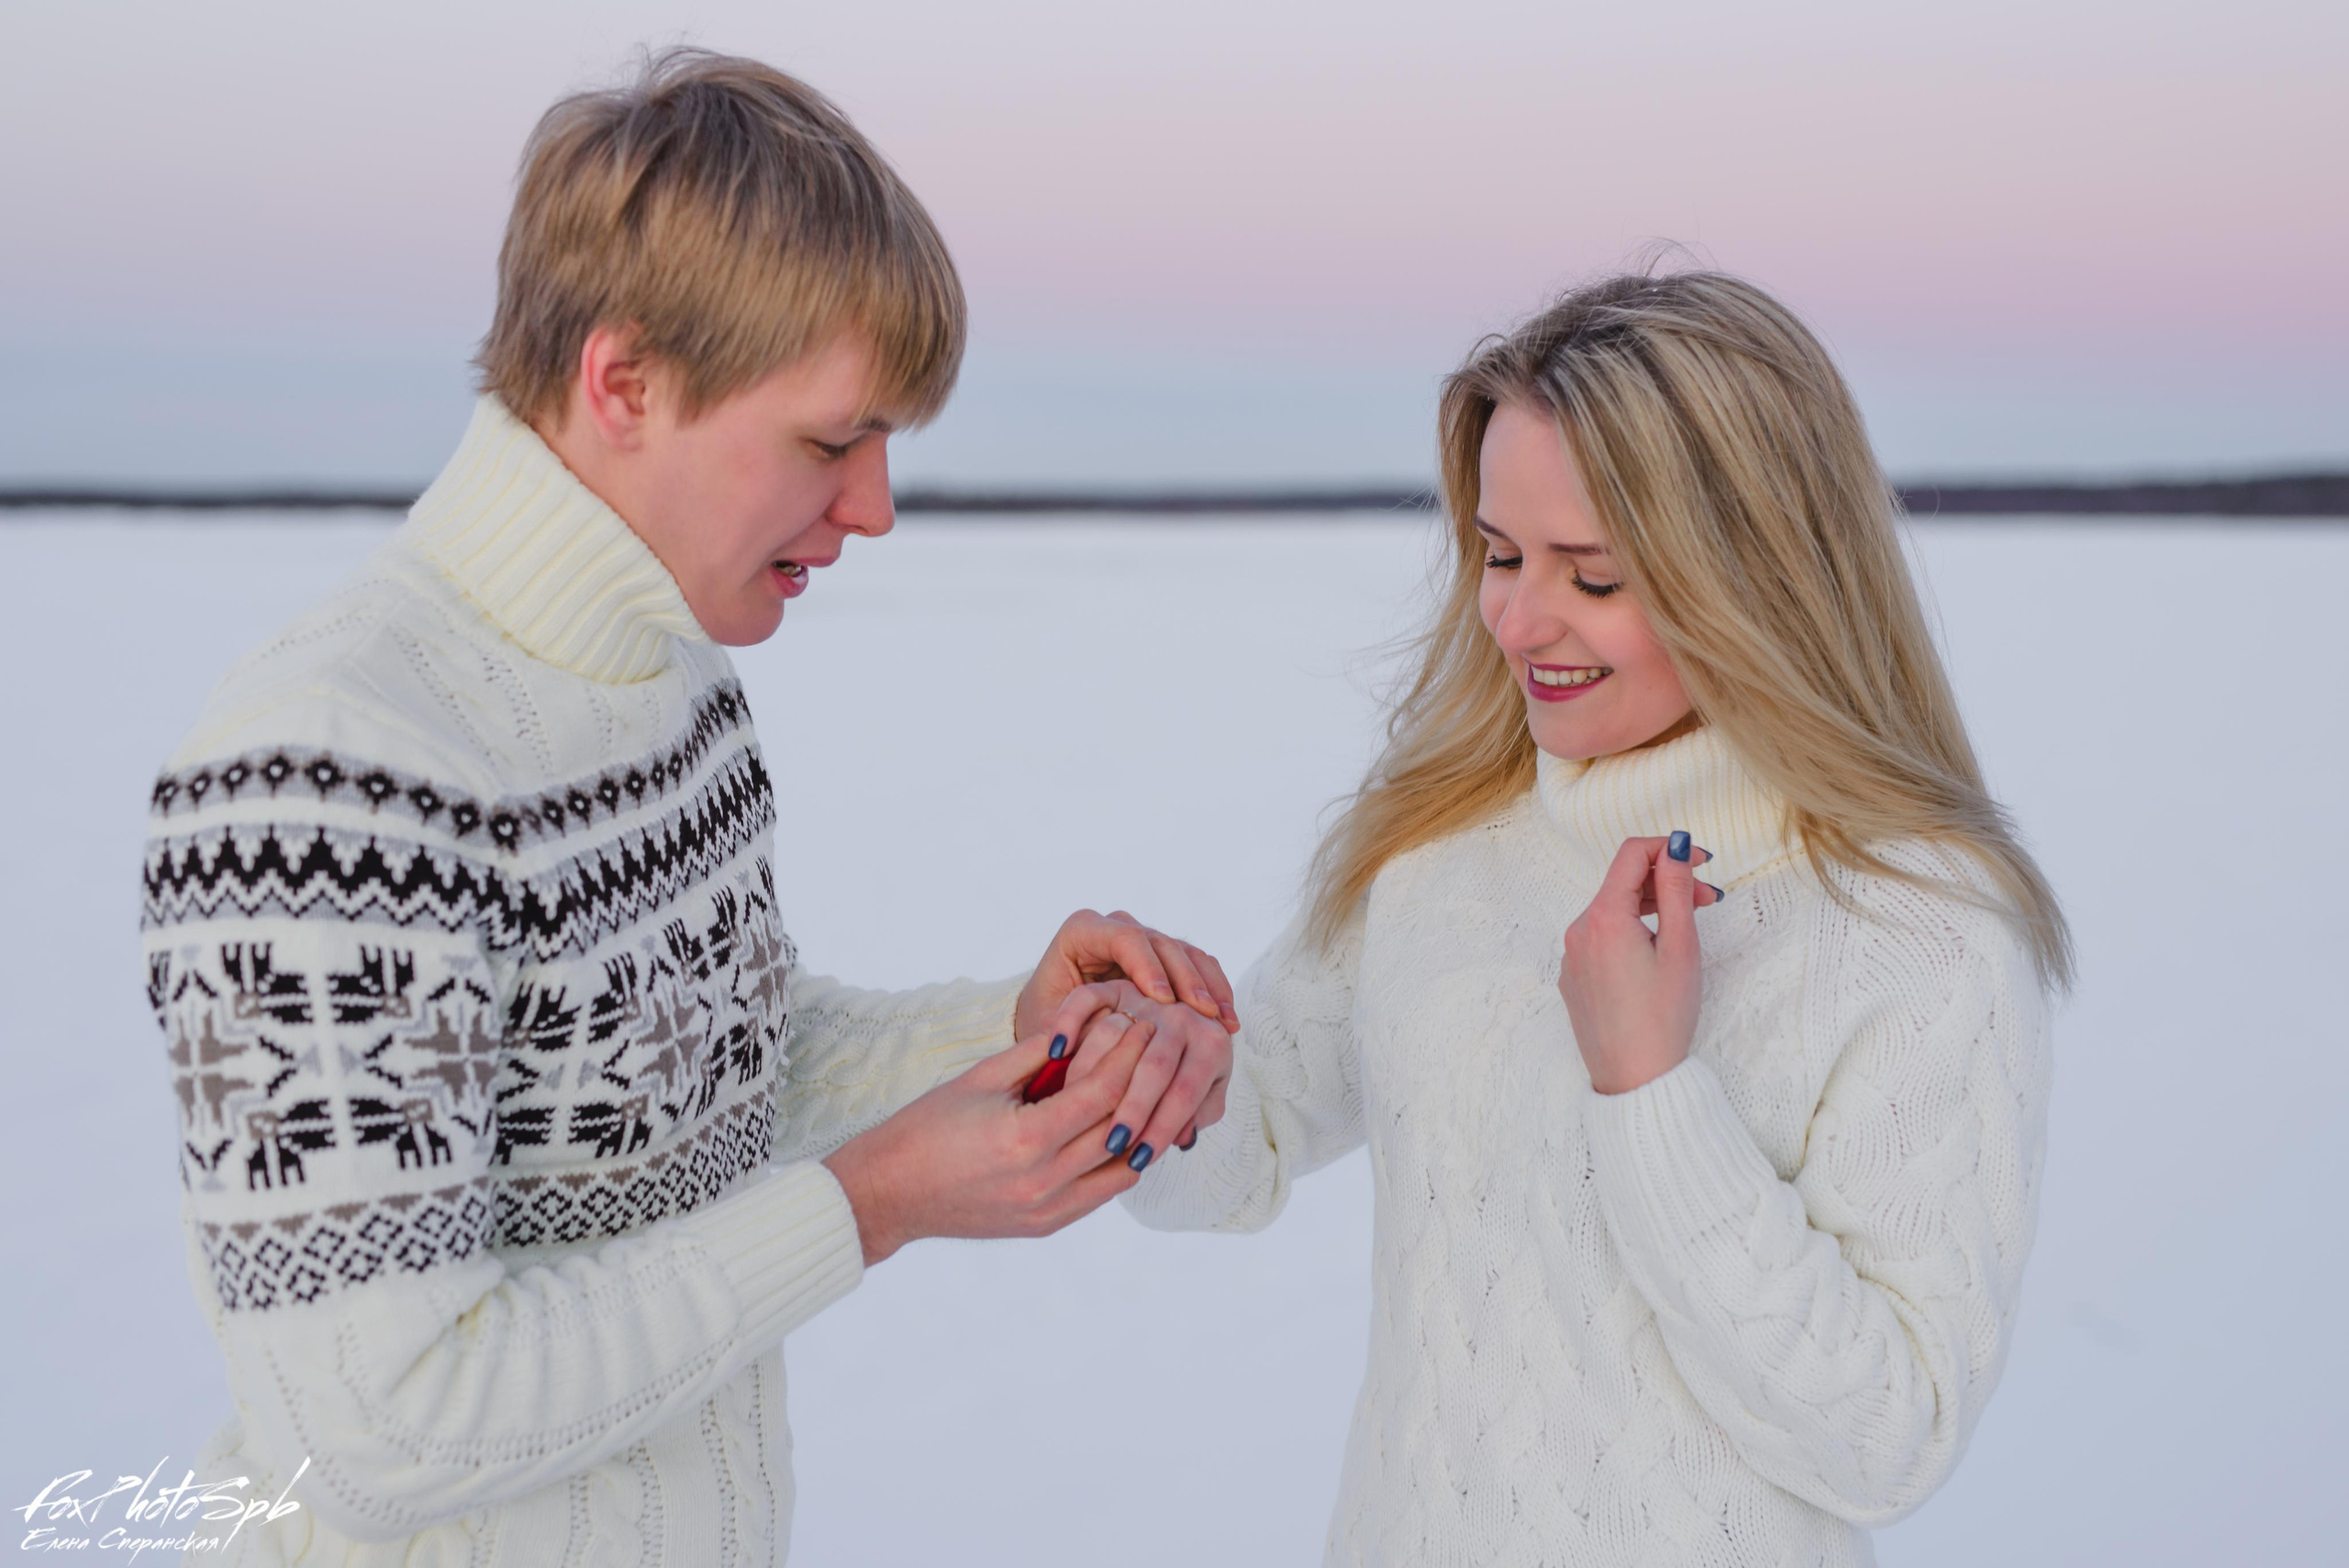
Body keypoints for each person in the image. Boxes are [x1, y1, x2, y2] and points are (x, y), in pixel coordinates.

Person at [139, 49, 1235, 1564]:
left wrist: (1010, 1037)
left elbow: (708, 1085)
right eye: (831, 440)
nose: (876, 507)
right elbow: (376, 1422)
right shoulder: (325, 775)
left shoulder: (670, 681)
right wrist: (867, 1205)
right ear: (624, 381)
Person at [1105, 271, 2068, 1565]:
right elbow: (1248, 1144)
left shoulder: (1922, 929)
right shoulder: (1441, 840)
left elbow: (1887, 1439)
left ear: (1757, 579)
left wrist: (1651, 1091)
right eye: (1500, 554)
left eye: (1593, 575)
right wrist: (1146, 1073)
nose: (1515, 616)